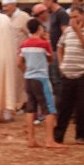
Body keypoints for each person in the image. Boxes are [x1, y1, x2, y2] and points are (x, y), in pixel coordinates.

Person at [18, 18, 57, 148]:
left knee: (31, 108)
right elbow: (50, 58)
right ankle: (49, 140)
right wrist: (48, 41)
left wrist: (26, 71)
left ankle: (31, 139)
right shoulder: (43, 44)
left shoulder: (24, 44)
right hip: (41, 78)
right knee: (49, 108)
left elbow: (19, 63)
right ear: (40, 28)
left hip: (29, 78)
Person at [54, 6, 84, 144]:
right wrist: (61, 65)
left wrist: (78, 31)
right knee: (63, 107)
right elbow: (60, 46)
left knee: (82, 108)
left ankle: (81, 136)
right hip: (67, 73)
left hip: (82, 73)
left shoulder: (79, 30)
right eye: (71, 17)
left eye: (75, 17)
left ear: (83, 16)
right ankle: (58, 136)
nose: (72, 20)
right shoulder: (67, 31)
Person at [1, 0, 30, 110]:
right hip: (8, 55)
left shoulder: (24, 17)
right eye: (3, 6)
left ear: (13, 5)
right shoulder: (4, 18)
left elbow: (31, 35)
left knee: (20, 80)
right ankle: (14, 104)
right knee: (11, 80)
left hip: (21, 56)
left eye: (6, 6)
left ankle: (22, 104)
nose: (4, 9)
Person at [43, 0, 69, 98]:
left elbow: (65, 33)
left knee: (57, 79)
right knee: (54, 78)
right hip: (52, 49)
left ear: (51, 0)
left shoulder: (61, 13)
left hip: (57, 51)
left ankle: (61, 105)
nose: (43, 2)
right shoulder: (53, 14)